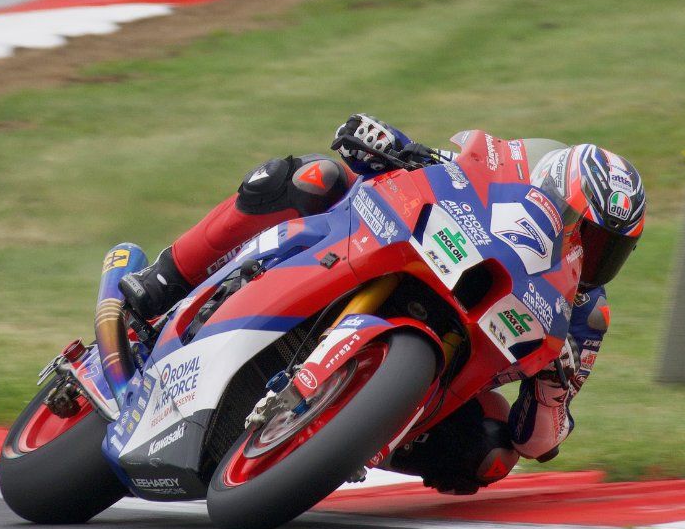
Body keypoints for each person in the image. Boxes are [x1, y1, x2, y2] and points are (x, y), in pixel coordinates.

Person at [121, 114, 646, 495]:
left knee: (490, 451)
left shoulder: (584, 318)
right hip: (395, 248)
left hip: (445, 381)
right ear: (554, 193)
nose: (592, 254)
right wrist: (387, 143)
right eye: (588, 233)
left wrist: (554, 386)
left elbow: (538, 441)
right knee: (312, 177)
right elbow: (429, 162)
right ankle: (167, 277)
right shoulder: (506, 178)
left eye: (610, 249)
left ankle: (347, 438)